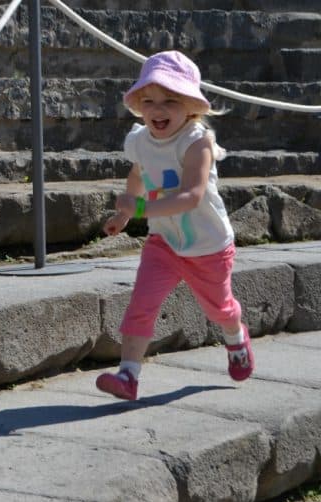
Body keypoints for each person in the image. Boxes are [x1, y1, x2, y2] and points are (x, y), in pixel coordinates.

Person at [96, 50, 254, 401]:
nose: (157, 109)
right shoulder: (139, 141)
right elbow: (138, 173)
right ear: (138, 104)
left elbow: (192, 196)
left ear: (191, 107)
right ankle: (128, 375)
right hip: (164, 242)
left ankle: (236, 335)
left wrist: (139, 208)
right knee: (141, 303)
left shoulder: (197, 143)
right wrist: (123, 215)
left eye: (170, 100)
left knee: (220, 309)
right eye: (149, 101)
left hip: (208, 245)